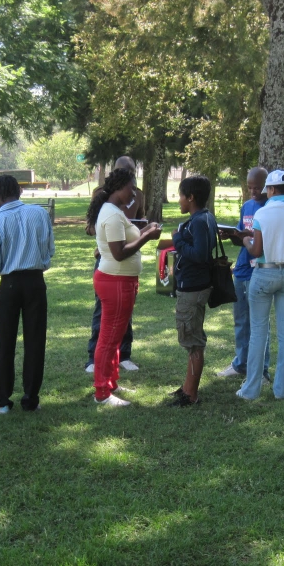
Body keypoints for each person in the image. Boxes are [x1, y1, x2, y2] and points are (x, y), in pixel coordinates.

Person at [86, 168, 162, 407]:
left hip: (122, 280)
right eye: (131, 188)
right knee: (109, 337)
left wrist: (145, 231)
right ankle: (102, 392)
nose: (135, 193)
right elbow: (119, 253)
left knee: (116, 335)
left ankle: (110, 382)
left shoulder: (115, 211)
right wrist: (147, 238)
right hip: (115, 280)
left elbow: (127, 239)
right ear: (119, 187)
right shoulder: (111, 214)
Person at [236, 169, 284, 401]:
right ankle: (281, 389)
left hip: (264, 273)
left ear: (270, 189)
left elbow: (256, 250)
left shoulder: (263, 213)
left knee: (258, 331)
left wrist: (246, 240)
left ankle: (251, 389)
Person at [0, 175, 54, 414]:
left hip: (10, 284)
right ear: (19, 191)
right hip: (35, 281)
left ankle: (2, 400)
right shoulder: (40, 214)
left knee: (5, 341)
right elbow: (49, 250)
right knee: (35, 341)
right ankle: (31, 398)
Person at [84, 155, 145, 373]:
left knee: (125, 311)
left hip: (127, 263)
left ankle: (124, 355)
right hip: (109, 259)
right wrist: (108, 235)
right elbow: (90, 227)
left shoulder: (137, 194)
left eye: (132, 173)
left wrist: (140, 228)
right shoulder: (101, 195)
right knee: (103, 311)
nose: (131, 179)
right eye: (125, 173)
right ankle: (94, 357)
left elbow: (140, 220)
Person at [217, 167, 272, 380]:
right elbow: (242, 238)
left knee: (259, 322)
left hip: (260, 268)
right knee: (241, 320)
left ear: (267, 186)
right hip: (241, 269)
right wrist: (231, 235)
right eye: (250, 188)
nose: (253, 192)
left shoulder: (270, 208)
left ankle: (262, 369)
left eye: (257, 187)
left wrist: (250, 236)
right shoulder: (247, 206)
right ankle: (240, 363)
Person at [169, 175, 218, 407]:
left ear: (190, 197)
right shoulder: (205, 217)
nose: (179, 200)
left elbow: (199, 254)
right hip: (195, 286)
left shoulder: (198, 221)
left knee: (193, 341)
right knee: (192, 339)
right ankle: (187, 387)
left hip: (192, 288)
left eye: (181, 195)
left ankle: (191, 395)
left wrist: (177, 240)